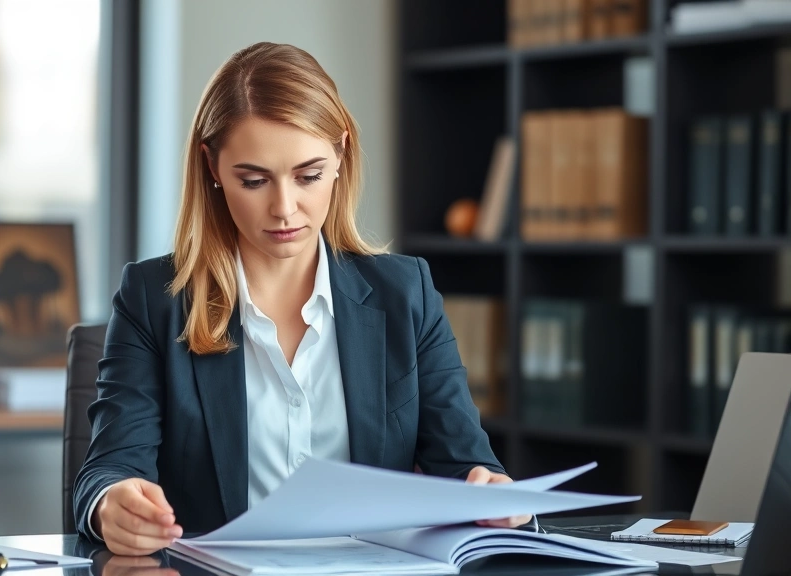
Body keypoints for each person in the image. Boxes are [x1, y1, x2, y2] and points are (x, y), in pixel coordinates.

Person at [74, 41, 530, 557]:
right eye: (254, 180)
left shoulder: (407, 295)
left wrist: (496, 498)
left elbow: (467, 466)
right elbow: (109, 469)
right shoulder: (153, 300)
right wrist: (113, 504)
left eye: (308, 176)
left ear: (341, 154)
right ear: (212, 169)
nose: (284, 208)